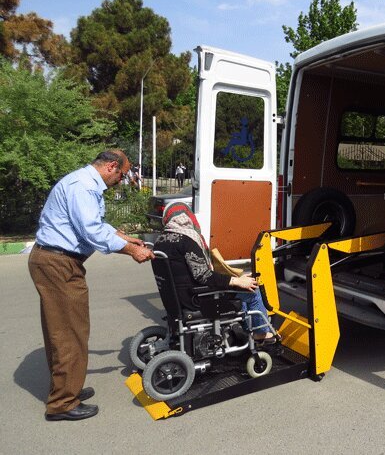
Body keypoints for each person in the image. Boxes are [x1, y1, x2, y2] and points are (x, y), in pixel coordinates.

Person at [28, 150, 155, 422]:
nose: (122, 181)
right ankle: (62, 403)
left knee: (64, 330)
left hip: (57, 261)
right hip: (59, 264)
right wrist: (132, 251)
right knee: (70, 333)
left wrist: (124, 237)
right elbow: (92, 231)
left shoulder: (85, 183)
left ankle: (67, 388)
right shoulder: (83, 187)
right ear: (111, 166)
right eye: (122, 175)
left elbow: (96, 225)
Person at [154, 202, 276, 344]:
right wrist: (237, 281)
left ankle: (246, 330)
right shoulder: (187, 240)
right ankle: (261, 334)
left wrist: (234, 280)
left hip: (176, 299)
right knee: (253, 292)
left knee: (240, 289)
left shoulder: (159, 241)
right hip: (195, 298)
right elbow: (203, 275)